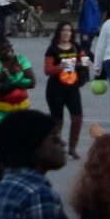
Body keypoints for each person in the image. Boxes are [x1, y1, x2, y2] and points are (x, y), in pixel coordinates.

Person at [0, 35, 37, 180]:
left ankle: (18, 187)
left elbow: (32, 82)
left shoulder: (22, 59)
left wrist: (11, 78)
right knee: (1, 158)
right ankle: (0, 192)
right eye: (3, 48)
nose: (8, 50)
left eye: (9, 46)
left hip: (21, 114)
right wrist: (18, 79)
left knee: (23, 154)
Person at [41, 22, 90, 159]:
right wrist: (60, 66)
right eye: (64, 30)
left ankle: (72, 147)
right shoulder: (52, 50)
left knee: (77, 116)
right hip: (55, 88)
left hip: (72, 87)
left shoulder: (76, 47)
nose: (67, 33)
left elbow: (85, 61)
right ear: (59, 32)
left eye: (69, 30)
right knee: (57, 120)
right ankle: (55, 147)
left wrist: (83, 63)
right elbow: (47, 70)